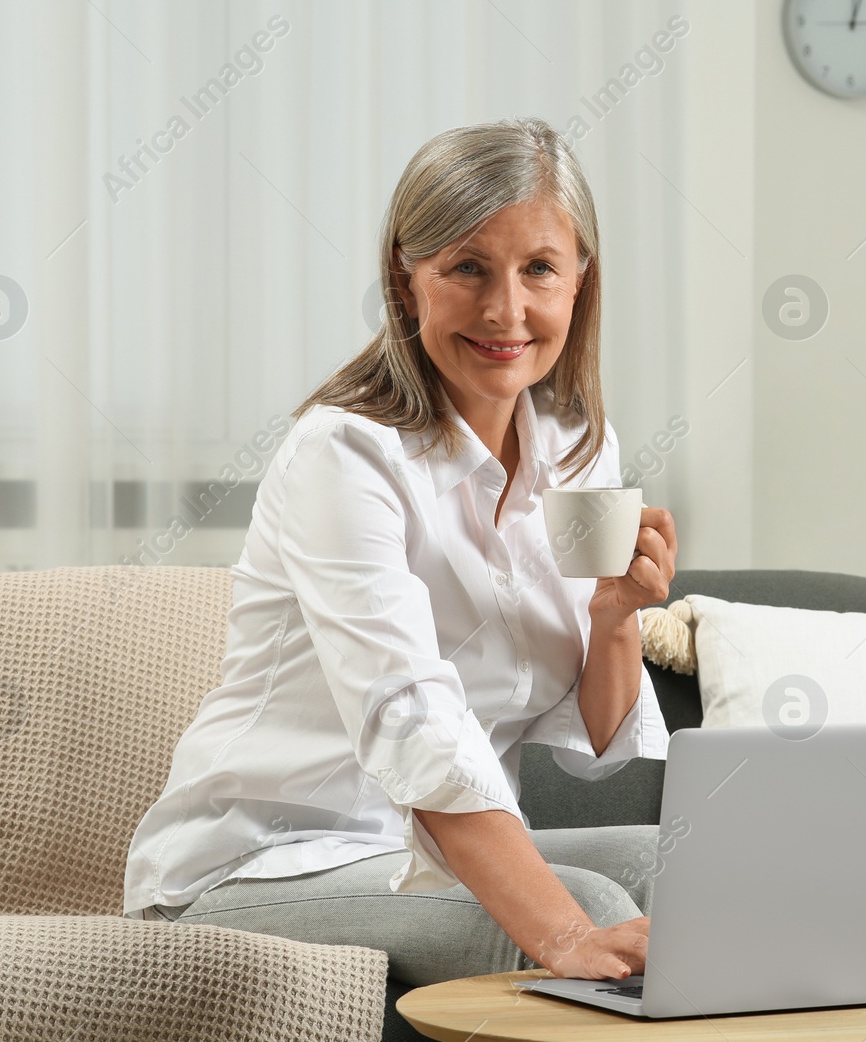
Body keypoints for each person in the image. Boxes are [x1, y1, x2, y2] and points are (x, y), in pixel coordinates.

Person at [121, 116, 678, 988]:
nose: (507, 310)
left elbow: (595, 741)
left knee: (678, 874)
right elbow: (411, 720)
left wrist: (614, 617)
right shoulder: (343, 456)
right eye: (467, 267)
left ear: (580, 281)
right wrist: (565, 935)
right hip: (262, 864)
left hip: (413, 861)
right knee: (597, 912)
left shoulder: (576, 448)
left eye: (538, 268)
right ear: (405, 280)